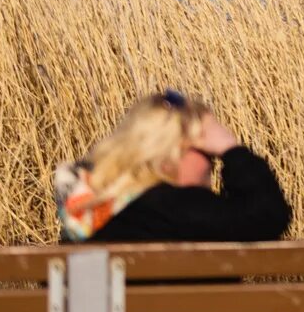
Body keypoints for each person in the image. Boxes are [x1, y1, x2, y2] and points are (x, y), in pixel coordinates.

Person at [54, 90, 291, 242]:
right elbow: (267, 216)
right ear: (172, 153)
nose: (213, 165)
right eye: (208, 152)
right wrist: (232, 150)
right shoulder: (179, 209)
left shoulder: (88, 212)